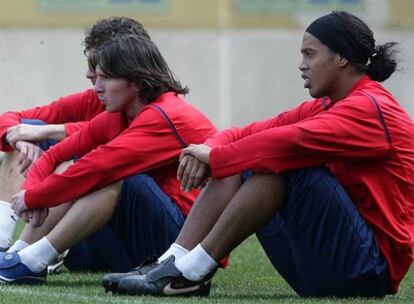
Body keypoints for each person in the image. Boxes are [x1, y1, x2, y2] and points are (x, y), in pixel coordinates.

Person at [109, 11, 414, 298]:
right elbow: (253, 132)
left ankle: (192, 272)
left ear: (341, 58)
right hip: (325, 264)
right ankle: (173, 261)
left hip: (369, 269)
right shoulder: (329, 105)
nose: (301, 64)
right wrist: (211, 149)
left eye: (310, 54)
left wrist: (215, 159)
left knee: (282, 164)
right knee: (251, 156)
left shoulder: (370, 108)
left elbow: (287, 142)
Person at [0, 34, 217, 285]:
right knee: (39, 136)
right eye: (96, 77)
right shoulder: (119, 112)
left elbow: (97, 168)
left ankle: (34, 260)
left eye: (105, 77)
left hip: (182, 245)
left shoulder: (164, 114)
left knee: (111, 173)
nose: (96, 87)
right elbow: (54, 154)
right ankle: (19, 254)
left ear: (135, 80)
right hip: (128, 240)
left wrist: (32, 198)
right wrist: (31, 192)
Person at [0, 17, 150, 252]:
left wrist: (51, 130)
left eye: (100, 65)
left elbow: (115, 141)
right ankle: (4, 240)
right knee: (25, 130)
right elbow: (12, 119)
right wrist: (17, 136)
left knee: (97, 163)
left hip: (136, 236)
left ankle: (23, 255)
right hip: (86, 229)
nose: (90, 74)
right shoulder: (92, 99)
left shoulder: (154, 109)